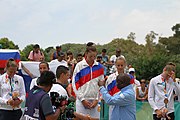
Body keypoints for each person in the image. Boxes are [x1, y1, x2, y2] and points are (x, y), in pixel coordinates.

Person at [72, 42, 104, 119]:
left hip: (95, 102)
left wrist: (97, 99)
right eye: (90, 56)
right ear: (86, 54)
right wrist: (82, 99)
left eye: (94, 56)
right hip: (81, 101)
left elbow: (101, 85)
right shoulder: (79, 66)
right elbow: (75, 84)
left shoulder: (99, 67)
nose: (93, 58)